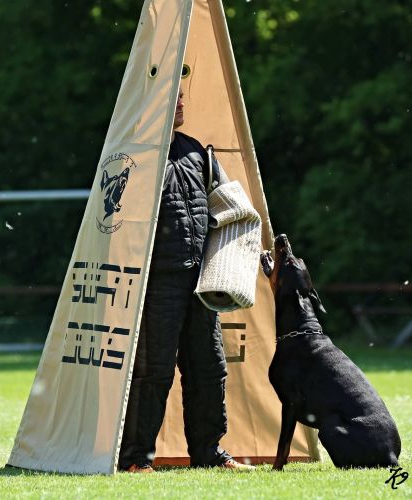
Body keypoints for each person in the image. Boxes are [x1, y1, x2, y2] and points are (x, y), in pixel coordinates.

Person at [118, 88, 254, 472]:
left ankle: (209, 455)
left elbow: (229, 209)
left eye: (182, 96)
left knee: (209, 369)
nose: (181, 102)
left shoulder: (197, 151)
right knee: (152, 373)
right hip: (155, 284)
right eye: (173, 97)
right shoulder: (132, 155)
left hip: (199, 283)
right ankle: (135, 459)